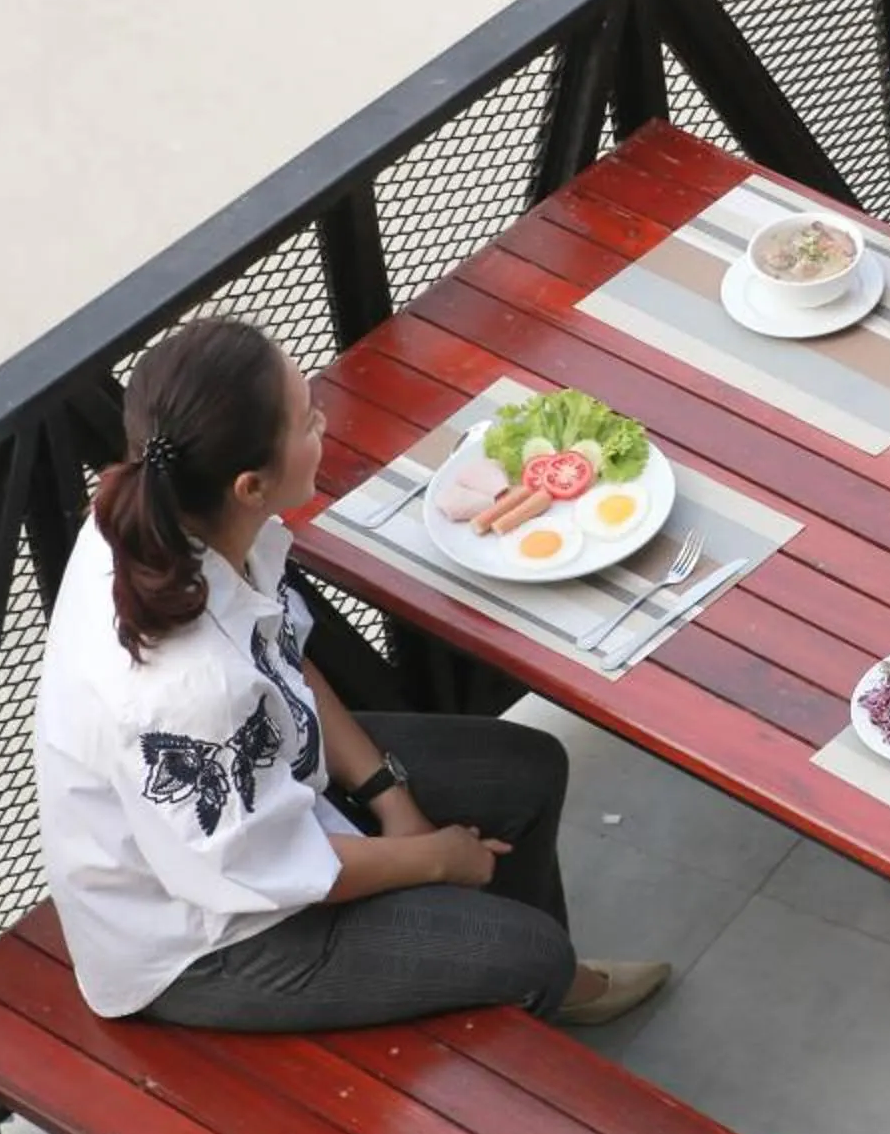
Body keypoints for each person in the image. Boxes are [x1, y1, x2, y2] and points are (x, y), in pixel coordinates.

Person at [34, 316, 669, 1031]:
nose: (324, 423)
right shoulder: (188, 690)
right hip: (209, 941)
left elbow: (279, 662)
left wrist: (388, 796)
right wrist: (436, 858)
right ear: (249, 484)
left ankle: (521, 979)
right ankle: (536, 982)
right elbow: (265, 875)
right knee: (534, 952)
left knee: (528, 769)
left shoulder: (161, 517)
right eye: (307, 421)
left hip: (263, 805)